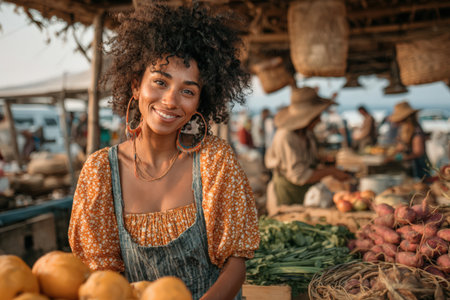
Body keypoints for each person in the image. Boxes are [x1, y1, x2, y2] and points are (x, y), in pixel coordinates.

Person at [68, 4, 259, 300]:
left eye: (188, 91)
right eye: (160, 82)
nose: (170, 101)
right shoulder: (100, 172)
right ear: (136, 85)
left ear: (199, 102)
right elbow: (101, 277)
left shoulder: (213, 161)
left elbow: (236, 262)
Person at [264, 87, 351, 215]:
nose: (320, 120)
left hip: (306, 193)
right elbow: (299, 176)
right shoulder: (286, 136)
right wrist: (331, 171)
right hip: (288, 194)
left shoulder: (307, 134)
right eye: (317, 116)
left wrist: (324, 161)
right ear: (308, 117)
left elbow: (308, 159)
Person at [388, 100, 431, 179]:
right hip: (409, 166)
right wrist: (392, 154)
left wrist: (400, 157)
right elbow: (401, 146)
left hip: (418, 167)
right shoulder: (403, 129)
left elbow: (418, 152)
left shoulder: (416, 130)